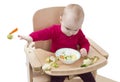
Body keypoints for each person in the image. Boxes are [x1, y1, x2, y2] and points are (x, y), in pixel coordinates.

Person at [18, 4, 96, 82]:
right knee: (56, 79)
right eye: (68, 28)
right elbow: (42, 34)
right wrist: (31, 37)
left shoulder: (79, 33)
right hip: (58, 63)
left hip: (74, 63)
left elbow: (85, 42)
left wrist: (84, 49)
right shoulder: (55, 30)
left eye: (75, 30)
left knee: (88, 75)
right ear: (61, 20)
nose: (71, 33)